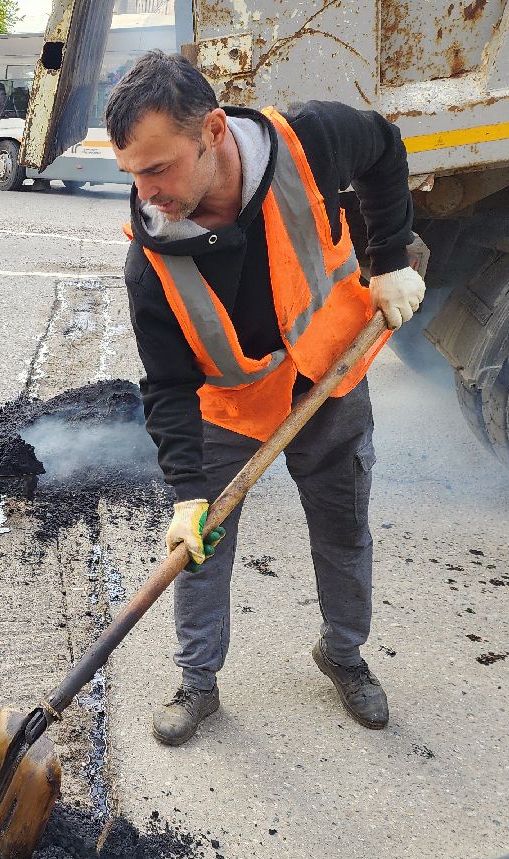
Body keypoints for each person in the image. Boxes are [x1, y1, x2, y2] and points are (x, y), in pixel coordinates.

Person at [104, 51, 425, 745]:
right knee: (198, 548)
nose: (146, 193)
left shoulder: (309, 143)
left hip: (331, 380)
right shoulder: (150, 263)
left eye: (159, 168)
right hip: (233, 410)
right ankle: (197, 681)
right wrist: (187, 493)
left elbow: (386, 146)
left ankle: (343, 653)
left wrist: (391, 258)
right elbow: (168, 385)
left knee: (343, 529)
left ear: (213, 131)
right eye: (132, 173)